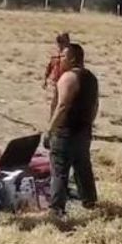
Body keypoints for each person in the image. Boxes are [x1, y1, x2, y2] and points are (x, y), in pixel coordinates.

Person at [47, 43, 99, 218]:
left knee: (59, 171)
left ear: (73, 59)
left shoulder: (68, 77)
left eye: (62, 57)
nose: (59, 60)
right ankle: (89, 200)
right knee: (83, 167)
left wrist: (50, 130)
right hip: (83, 132)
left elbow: (62, 106)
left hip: (65, 132)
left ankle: (56, 209)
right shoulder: (91, 78)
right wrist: (88, 124)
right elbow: (95, 106)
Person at [44, 32, 70, 115]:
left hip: (68, 82)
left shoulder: (71, 56)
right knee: (56, 102)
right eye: (60, 42)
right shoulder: (56, 56)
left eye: (63, 42)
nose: (61, 45)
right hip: (58, 81)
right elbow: (50, 66)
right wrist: (45, 79)